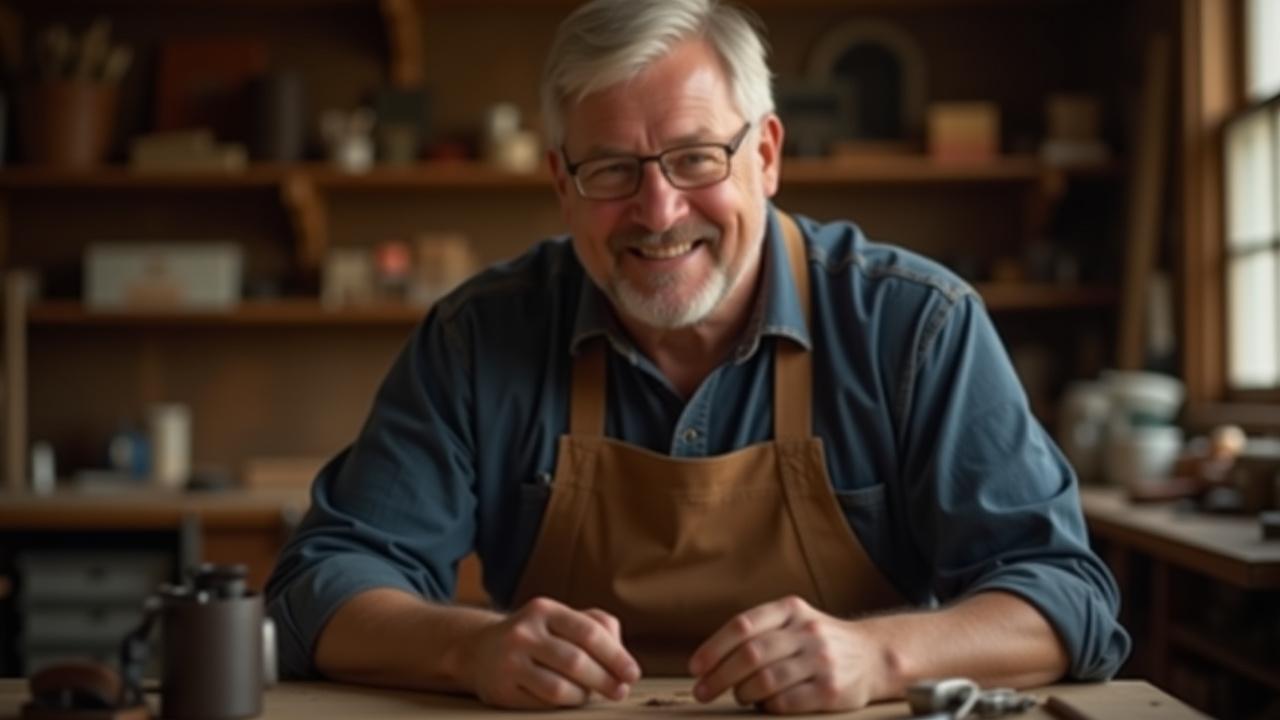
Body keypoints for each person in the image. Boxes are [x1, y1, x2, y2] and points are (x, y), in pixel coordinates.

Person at [265, 0, 1130, 713]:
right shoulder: (478, 338)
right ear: (561, 183)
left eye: (694, 158)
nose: (659, 210)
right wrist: (469, 649)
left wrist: (880, 655)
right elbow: (322, 585)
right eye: (610, 170)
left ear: (765, 154)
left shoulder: (916, 328)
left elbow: (1066, 598)